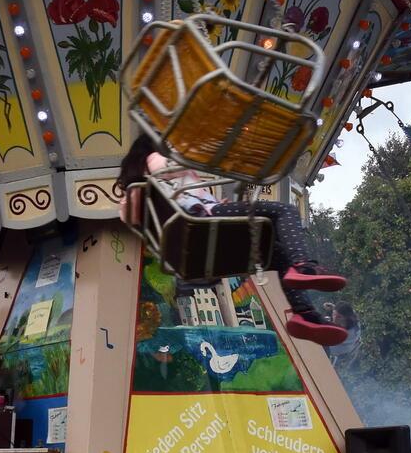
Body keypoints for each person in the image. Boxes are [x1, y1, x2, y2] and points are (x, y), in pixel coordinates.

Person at [115, 133, 347, 346]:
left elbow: (134, 212)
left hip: (193, 251)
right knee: (284, 211)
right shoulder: (157, 161)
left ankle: (306, 315)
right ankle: (304, 267)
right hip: (203, 222)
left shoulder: (136, 195)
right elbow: (185, 164)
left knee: (278, 254)